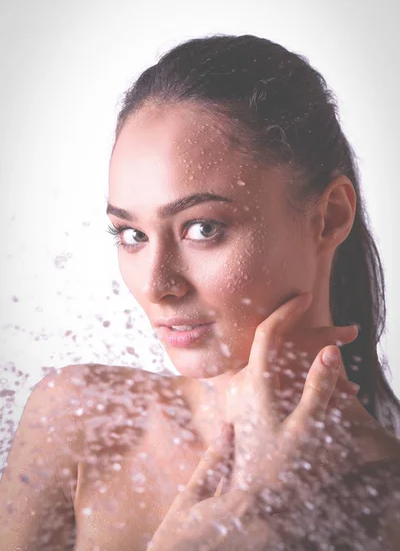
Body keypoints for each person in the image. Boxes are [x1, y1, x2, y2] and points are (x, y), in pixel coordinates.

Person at [1, 34, 400, 550]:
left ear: (329, 217)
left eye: (202, 228)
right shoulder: (82, 421)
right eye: (132, 235)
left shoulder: (386, 505)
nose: (156, 284)